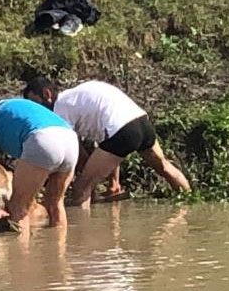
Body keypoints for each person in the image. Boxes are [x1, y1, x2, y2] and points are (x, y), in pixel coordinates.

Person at [22, 77, 191, 208]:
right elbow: (107, 146)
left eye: (34, 102)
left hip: (122, 131)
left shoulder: (60, 110)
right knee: (164, 167)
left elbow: (77, 155)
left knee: (82, 188)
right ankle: (190, 202)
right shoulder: (78, 96)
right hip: (141, 122)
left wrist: (84, 178)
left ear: (47, 94)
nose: (36, 109)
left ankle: (81, 242)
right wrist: (112, 182)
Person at [0, 92, 78, 232]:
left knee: (18, 206)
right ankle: (60, 252)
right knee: (55, 203)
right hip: (70, 138)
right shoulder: (9, 106)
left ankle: (21, 253)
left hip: (43, 139)